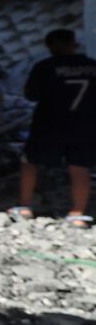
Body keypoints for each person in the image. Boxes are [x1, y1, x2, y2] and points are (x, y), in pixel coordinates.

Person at [10, 28, 96, 227]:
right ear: (74, 44)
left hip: (49, 123)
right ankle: (77, 214)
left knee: (29, 160)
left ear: (50, 46)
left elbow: (31, 95)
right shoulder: (92, 66)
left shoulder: (45, 67)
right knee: (79, 167)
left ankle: (24, 206)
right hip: (84, 125)